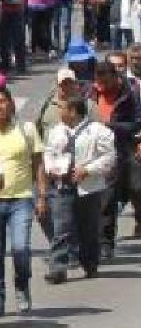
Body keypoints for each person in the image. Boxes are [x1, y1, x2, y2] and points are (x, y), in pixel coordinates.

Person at [0, 85, 43, 316]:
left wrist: (41, 195)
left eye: (2, 101)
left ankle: (22, 286)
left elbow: (38, 163)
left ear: (10, 104)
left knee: (20, 248)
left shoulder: (26, 129)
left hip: (21, 199)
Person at [42, 96, 115, 284]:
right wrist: (51, 169)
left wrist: (87, 170)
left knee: (88, 229)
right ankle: (58, 268)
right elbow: (48, 153)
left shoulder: (98, 131)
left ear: (73, 111)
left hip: (88, 188)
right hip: (62, 187)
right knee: (61, 228)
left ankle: (90, 263)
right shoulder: (56, 131)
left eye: (62, 108)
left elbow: (109, 158)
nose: (59, 111)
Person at [91, 60, 141, 260]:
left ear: (115, 77)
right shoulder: (91, 93)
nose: (102, 87)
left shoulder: (130, 94)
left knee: (137, 188)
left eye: (106, 82)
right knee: (107, 198)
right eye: (99, 82)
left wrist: (110, 126)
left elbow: (136, 124)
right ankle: (105, 242)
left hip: (125, 148)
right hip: (99, 153)